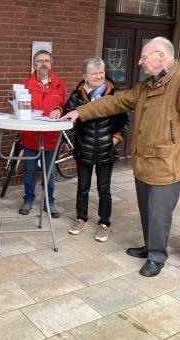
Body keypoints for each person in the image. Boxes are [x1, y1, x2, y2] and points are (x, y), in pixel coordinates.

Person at [60, 37, 180, 277]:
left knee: (159, 214)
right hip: (144, 162)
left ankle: (157, 256)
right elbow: (115, 102)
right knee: (146, 210)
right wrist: (79, 112)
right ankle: (149, 246)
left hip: (167, 164)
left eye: (144, 56)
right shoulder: (146, 86)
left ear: (161, 56)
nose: (139, 62)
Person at [59, 57, 129, 242]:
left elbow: (124, 120)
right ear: (85, 76)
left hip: (106, 148)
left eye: (101, 72)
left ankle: (104, 223)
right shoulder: (77, 94)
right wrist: (58, 110)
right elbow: (67, 113)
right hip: (84, 148)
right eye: (94, 73)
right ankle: (81, 219)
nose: (99, 76)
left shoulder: (115, 93)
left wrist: (116, 138)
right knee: (83, 188)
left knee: (104, 189)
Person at [18, 50, 66, 218]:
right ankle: (28, 199)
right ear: (34, 65)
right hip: (31, 136)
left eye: (46, 60)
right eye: (40, 61)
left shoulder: (59, 85)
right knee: (30, 170)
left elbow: (63, 106)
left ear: (51, 64)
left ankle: (49, 201)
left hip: (51, 137)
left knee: (50, 172)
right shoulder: (25, 85)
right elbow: (19, 109)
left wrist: (59, 109)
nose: (44, 63)